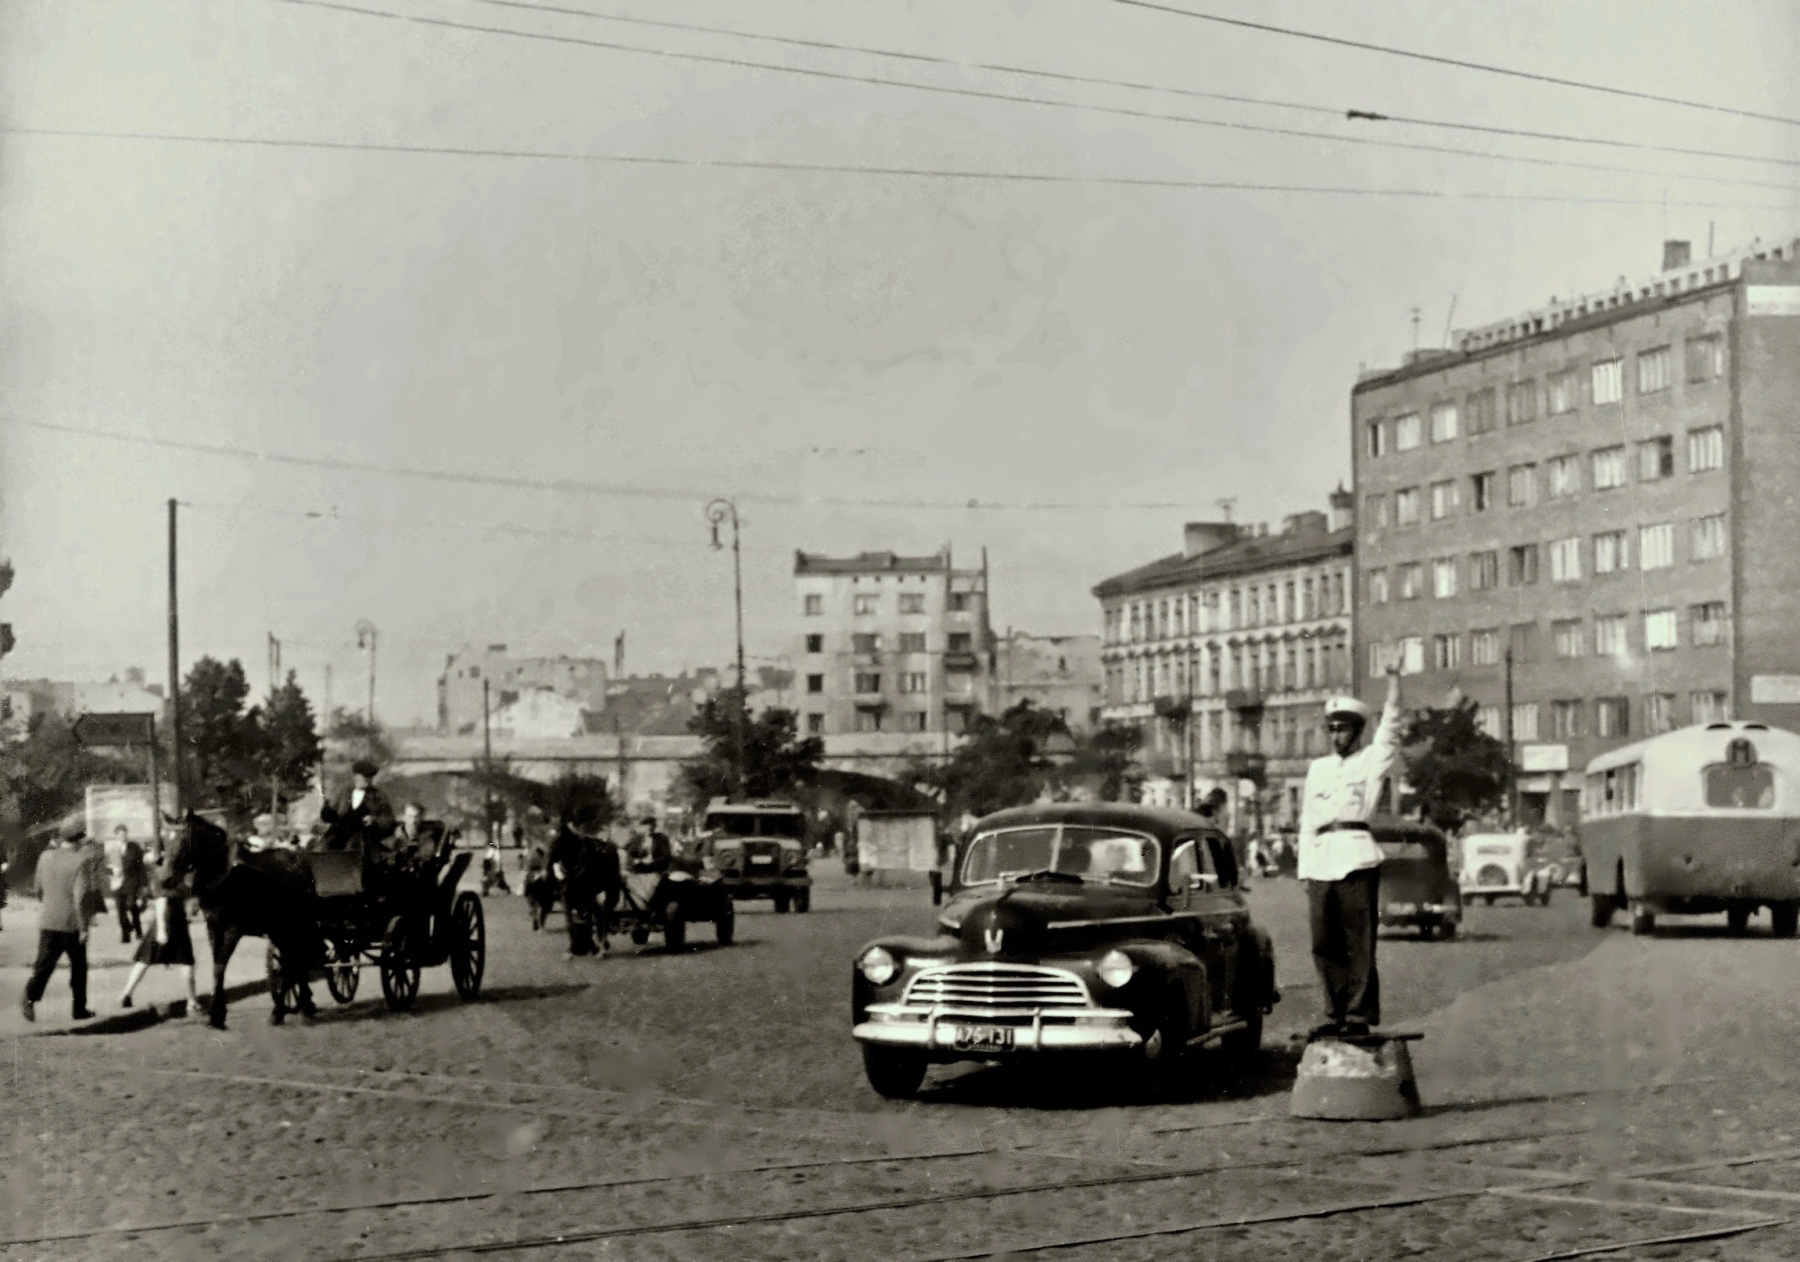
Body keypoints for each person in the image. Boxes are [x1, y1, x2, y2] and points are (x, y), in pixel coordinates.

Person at [1298, 668, 1403, 1041]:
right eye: (1332, 729)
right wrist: (1304, 870)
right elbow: (1308, 819)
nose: (1336, 736)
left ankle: (1357, 1013)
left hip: (1356, 857)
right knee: (1323, 943)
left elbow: (1390, 729)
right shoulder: (1318, 768)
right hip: (1321, 861)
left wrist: (1393, 682)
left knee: (1359, 942)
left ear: (1358, 731)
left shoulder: (1370, 761)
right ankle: (1334, 1011)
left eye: (1343, 729)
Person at [23, 819, 95, 1022]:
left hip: (48, 920)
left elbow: (37, 889)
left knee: (44, 965)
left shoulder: (45, 857)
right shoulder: (80, 862)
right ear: (79, 840)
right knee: (79, 967)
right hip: (71, 923)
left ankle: (29, 996)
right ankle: (79, 1009)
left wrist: (49, 905)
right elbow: (79, 897)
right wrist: (84, 927)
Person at [118, 844, 201, 1015]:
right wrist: (163, 929)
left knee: (145, 960)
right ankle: (191, 1002)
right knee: (186, 962)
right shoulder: (170, 873)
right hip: (169, 920)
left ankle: (126, 993)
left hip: (172, 920)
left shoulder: (178, 871)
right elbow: (162, 900)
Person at [319, 759, 396, 853]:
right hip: (340, 838)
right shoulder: (344, 792)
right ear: (356, 776)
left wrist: (374, 820)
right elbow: (332, 815)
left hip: (366, 840)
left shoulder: (378, 796)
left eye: (370, 777)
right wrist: (327, 811)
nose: (368, 780)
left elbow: (389, 819)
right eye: (365, 776)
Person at [549, 822, 602, 957]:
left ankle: (583, 947)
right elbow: (553, 861)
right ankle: (589, 947)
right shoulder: (581, 842)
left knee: (574, 916)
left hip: (574, 883)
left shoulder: (580, 843)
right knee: (584, 915)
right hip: (575, 882)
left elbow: (552, 860)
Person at [116, 827, 148, 944]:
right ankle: (126, 935)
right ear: (116, 836)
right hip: (117, 883)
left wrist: (144, 884)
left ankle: (138, 930)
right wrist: (111, 872)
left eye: (124, 835)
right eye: (120, 835)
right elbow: (105, 867)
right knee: (120, 911)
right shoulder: (112, 849)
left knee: (131, 906)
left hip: (131, 882)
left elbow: (141, 868)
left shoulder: (134, 848)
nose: (123, 837)